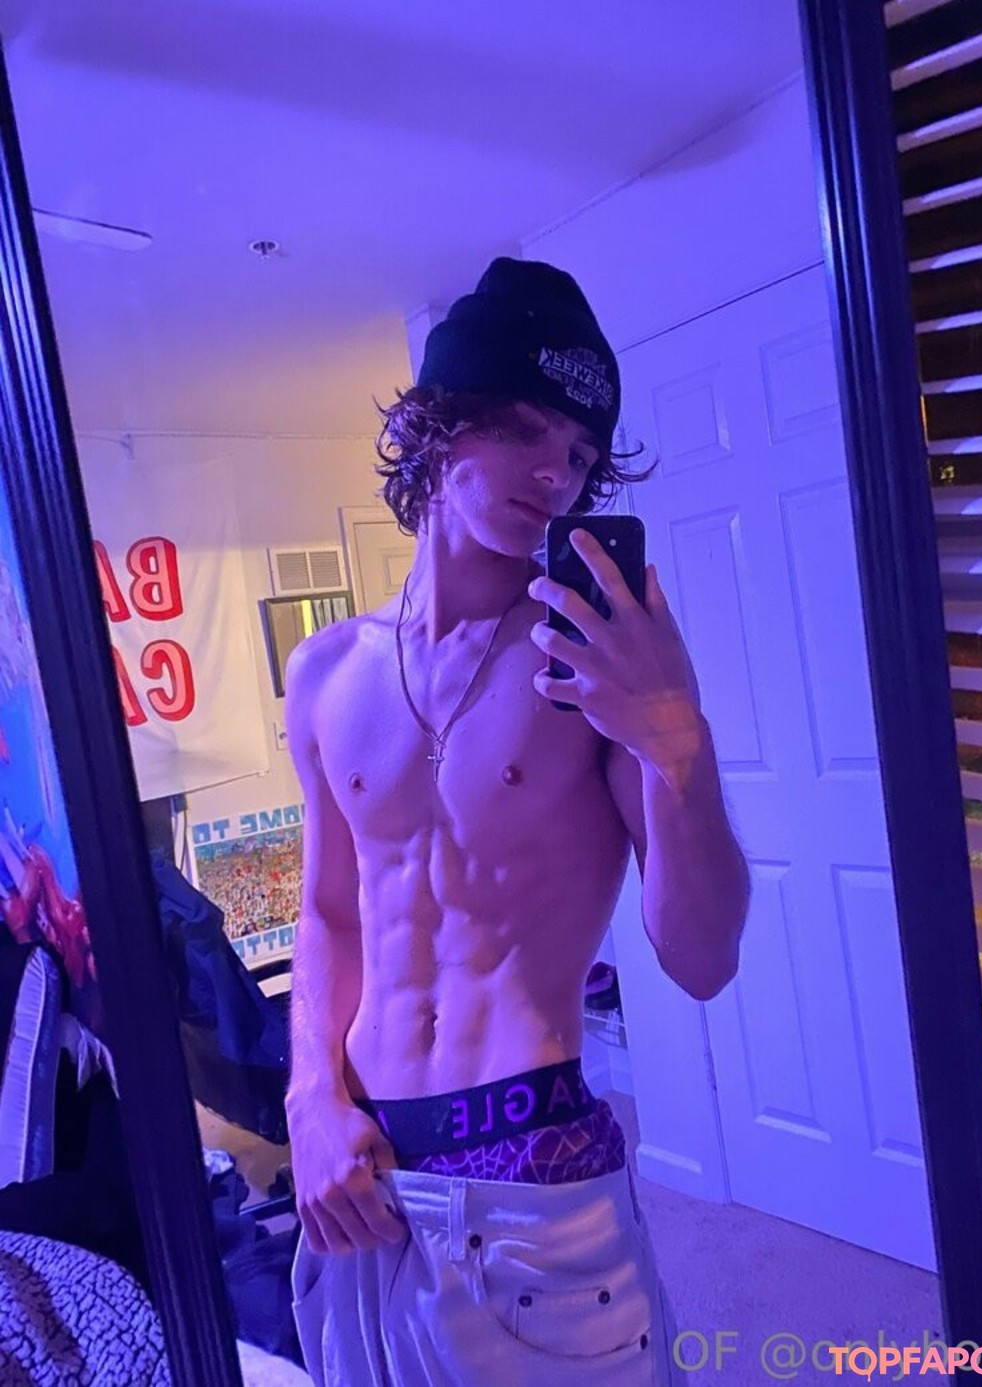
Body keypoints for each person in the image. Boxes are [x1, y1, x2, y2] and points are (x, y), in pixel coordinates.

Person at [285, 257, 750, 1386]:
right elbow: (332, 911)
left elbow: (701, 958)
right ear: (442, 424)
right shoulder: (326, 672)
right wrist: (308, 1097)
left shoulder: (590, 661)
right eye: (528, 429)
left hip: (533, 1167)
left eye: (582, 453)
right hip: (362, 1173)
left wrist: (677, 745)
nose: (557, 472)